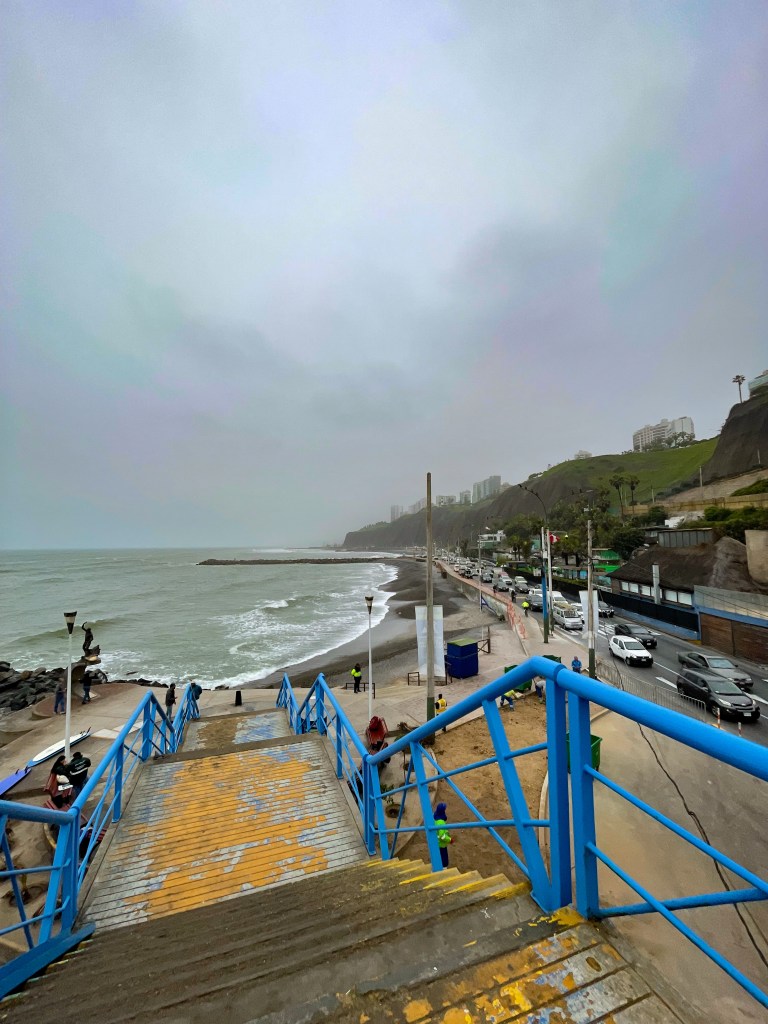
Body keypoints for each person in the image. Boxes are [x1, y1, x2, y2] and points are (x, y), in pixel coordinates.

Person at [434, 802, 453, 868]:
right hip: (441, 844)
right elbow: (442, 835)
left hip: (436, 842)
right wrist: (450, 839)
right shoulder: (441, 822)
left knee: (438, 857)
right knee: (444, 860)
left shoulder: (435, 818)